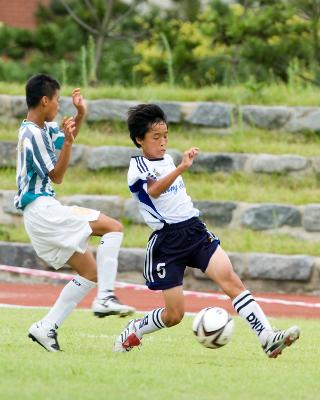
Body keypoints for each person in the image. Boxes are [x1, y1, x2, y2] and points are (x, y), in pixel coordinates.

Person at [113, 103, 300, 358]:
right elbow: (154, 190)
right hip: (168, 242)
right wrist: (181, 167)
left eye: (165, 136)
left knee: (231, 280)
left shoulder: (166, 159)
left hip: (194, 230)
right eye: (156, 137)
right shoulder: (138, 167)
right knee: (174, 315)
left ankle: (267, 337)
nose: (163, 142)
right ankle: (135, 328)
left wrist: (177, 165)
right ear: (139, 139)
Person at [14, 73, 135, 352]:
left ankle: (46, 327)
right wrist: (67, 144)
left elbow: (67, 138)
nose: (59, 105)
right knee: (114, 227)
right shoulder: (30, 133)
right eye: (57, 100)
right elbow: (56, 175)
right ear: (45, 100)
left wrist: (81, 114)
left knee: (90, 271)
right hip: (42, 209)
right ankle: (106, 297)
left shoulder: (43, 128)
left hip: (41, 213)